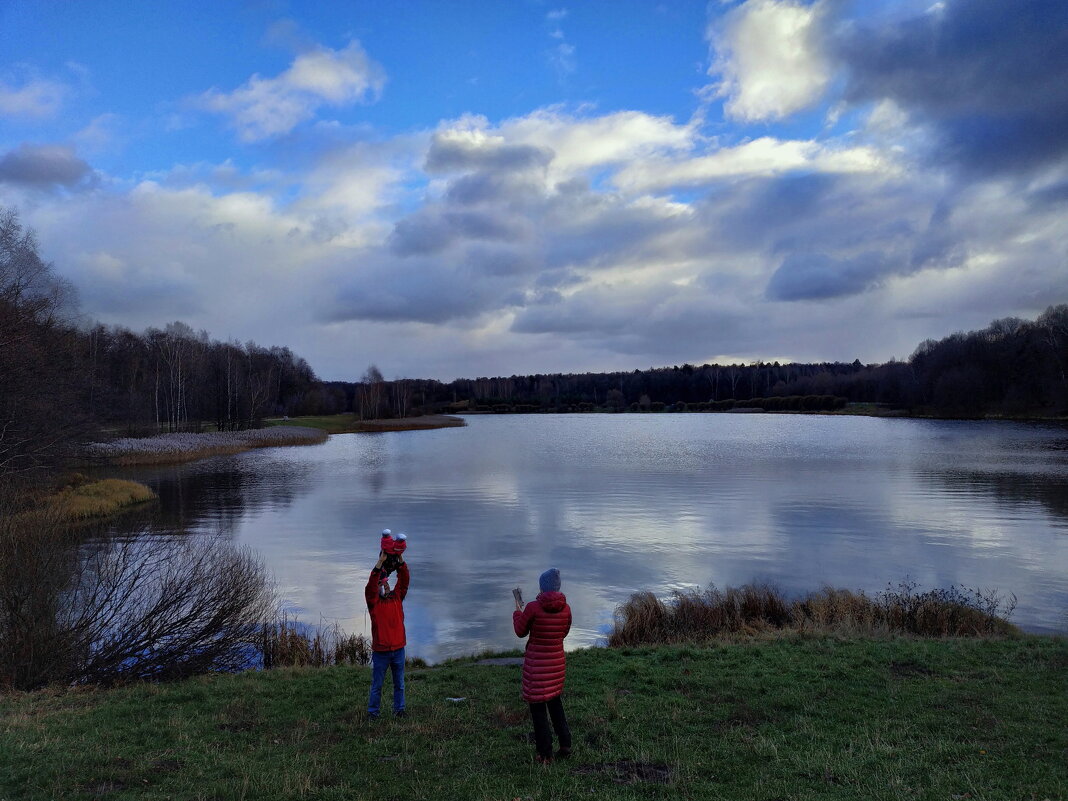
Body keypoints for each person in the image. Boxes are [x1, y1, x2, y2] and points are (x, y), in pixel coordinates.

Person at [513, 567, 573, 764]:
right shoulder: (566, 609)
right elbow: (563, 633)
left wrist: (517, 612)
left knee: (538, 711)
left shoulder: (532, 608)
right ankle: (565, 744)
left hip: (537, 669)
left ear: (542, 587)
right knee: (555, 705)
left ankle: (545, 754)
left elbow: (520, 631)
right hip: (556, 667)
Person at [365, 549, 409, 719]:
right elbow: (370, 586)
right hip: (381, 651)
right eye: (382, 584)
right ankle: (373, 713)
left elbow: (404, 581)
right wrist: (379, 564)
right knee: (377, 685)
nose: (386, 585)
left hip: (398, 649)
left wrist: (400, 562)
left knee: (400, 684)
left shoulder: (397, 597)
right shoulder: (373, 603)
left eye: (387, 583)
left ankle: (399, 710)